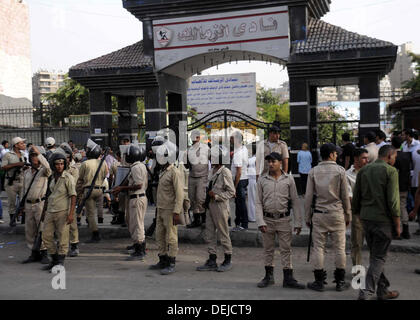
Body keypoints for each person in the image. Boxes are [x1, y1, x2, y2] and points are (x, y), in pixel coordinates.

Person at [352, 145, 401, 300]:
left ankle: (382, 290)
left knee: (376, 256)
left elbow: (356, 196)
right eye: (395, 157)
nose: (395, 160)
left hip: (366, 219)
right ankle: (366, 292)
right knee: (379, 257)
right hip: (383, 221)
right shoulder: (390, 171)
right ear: (390, 156)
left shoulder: (364, 170)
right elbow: (393, 201)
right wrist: (398, 223)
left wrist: (358, 214)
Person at [304, 143, 351, 292]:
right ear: (331, 154)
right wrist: (348, 214)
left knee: (318, 248)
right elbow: (345, 196)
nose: (337, 156)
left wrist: (307, 216)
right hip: (337, 214)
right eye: (336, 153)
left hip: (319, 214)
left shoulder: (313, 171)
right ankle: (340, 282)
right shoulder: (340, 171)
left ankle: (319, 282)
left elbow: (308, 196)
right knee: (340, 248)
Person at [256, 152, 305, 289]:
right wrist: (260, 221)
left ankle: (288, 278)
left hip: (284, 220)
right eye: (269, 162)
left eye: (273, 161)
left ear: (280, 163)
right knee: (268, 249)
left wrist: (298, 222)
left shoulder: (289, 179)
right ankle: (268, 276)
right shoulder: (262, 180)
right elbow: (258, 202)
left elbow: (295, 201)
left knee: (286, 249)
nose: (270, 164)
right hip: (267, 219)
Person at [197, 145, 235, 272]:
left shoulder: (225, 172)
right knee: (210, 233)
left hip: (220, 206)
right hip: (210, 206)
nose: (210, 159)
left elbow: (231, 192)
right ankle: (212, 259)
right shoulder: (211, 171)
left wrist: (217, 196)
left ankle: (227, 259)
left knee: (223, 233)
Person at [149, 140, 184, 275]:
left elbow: (179, 194)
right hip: (161, 208)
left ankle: (171, 262)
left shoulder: (174, 172)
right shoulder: (163, 171)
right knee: (160, 236)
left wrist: (177, 212)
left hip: (170, 210)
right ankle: (162, 259)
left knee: (171, 237)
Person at [112, 145, 148, 260]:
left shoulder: (136, 167)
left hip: (137, 198)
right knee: (135, 224)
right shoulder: (139, 165)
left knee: (137, 225)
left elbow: (138, 185)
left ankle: (140, 250)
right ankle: (137, 245)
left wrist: (122, 188)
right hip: (137, 197)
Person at [41, 152, 76, 271]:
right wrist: (44, 211)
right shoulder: (52, 177)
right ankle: (54, 259)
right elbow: (48, 195)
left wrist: (71, 214)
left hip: (63, 211)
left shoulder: (68, 178)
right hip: (50, 211)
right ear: (53, 165)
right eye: (57, 164)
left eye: (62, 164)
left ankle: (60, 262)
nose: (60, 166)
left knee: (63, 237)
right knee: (46, 236)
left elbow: (73, 196)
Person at [21, 146, 51, 264]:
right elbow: (24, 190)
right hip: (28, 204)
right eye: (32, 155)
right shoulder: (27, 172)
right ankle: (34, 252)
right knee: (30, 230)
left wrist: (39, 154)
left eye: (35, 156)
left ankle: (44, 252)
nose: (34, 158)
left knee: (42, 229)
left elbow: (48, 167)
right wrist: (22, 205)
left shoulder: (43, 171)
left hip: (40, 203)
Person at [76, 142, 108, 243]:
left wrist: (78, 192)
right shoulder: (103, 163)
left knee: (90, 214)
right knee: (99, 208)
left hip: (88, 189)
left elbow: (80, 179)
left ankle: (95, 234)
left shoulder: (85, 163)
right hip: (100, 189)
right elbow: (104, 175)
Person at [346, 148, 369, 268]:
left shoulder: (370, 172)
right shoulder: (347, 175)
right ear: (356, 159)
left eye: (367, 158)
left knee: (374, 244)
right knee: (357, 243)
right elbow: (350, 197)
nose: (366, 161)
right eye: (364, 158)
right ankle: (358, 269)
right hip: (358, 213)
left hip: (372, 213)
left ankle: (376, 271)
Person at [1, 137, 27, 226]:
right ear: (16, 145)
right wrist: (17, 164)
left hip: (21, 179)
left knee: (24, 200)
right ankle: (12, 220)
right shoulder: (8, 155)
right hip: (11, 181)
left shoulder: (23, 154)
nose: (23, 145)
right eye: (21, 143)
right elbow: (3, 167)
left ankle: (23, 217)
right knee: (11, 202)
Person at [187, 130, 209, 229]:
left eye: (195, 137)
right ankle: (196, 220)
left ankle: (204, 220)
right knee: (192, 198)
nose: (193, 139)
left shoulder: (205, 148)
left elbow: (212, 161)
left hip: (202, 176)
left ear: (199, 138)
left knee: (200, 198)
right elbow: (187, 165)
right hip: (192, 176)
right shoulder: (189, 150)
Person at [392, 136, 413, 239]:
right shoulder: (407, 155)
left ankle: (397, 231)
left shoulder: (393, 156)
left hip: (395, 186)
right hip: (405, 185)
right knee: (403, 207)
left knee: (395, 208)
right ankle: (406, 230)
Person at [230, 131, 249, 231]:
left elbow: (239, 172)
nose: (230, 140)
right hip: (244, 179)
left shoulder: (238, 153)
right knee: (240, 202)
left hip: (240, 180)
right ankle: (238, 222)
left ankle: (243, 223)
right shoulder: (244, 149)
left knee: (240, 202)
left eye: (232, 138)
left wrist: (234, 186)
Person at [247, 143, 257, 222]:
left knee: (251, 199)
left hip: (252, 179)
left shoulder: (251, 160)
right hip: (254, 179)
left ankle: (252, 216)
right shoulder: (256, 159)